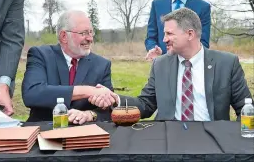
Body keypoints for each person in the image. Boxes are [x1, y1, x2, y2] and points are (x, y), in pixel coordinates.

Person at [90, 8, 252, 121]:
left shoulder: (227, 63)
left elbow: (246, 109)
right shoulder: (161, 64)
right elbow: (146, 104)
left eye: (169, 34)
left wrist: (233, 141)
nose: (164, 39)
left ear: (190, 34)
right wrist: (115, 99)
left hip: (213, 137)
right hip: (168, 137)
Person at [22, 10, 115, 125]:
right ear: (64, 36)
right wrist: (88, 91)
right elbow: (32, 94)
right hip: (43, 131)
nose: (90, 38)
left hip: (84, 135)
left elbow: (110, 110)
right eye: (84, 33)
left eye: (91, 32)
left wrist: (89, 114)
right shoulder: (41, 55)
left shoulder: (102, 65)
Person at [145, 0, 211, 61]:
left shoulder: (203, 7)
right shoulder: (157, 4)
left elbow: (203, 42)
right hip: (162, 63)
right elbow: (151, 37)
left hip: (190, 66)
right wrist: (153, 49)